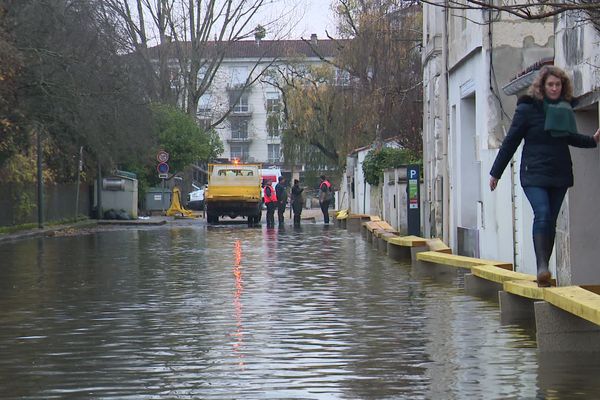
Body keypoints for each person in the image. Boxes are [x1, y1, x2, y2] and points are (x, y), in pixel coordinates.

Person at [489, 65, 600, 287]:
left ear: (563, 86)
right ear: (542, 86)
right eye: (550, 84)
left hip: (558, 172)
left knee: (550, 222)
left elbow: (569, 137)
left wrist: (593, 140)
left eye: (558, 84)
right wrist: (496, 173)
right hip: (534, 173)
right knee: (543, 213)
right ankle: (542, 266)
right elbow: (511, 141)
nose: (554, 88)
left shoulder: (564, 108)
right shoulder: (527, 109)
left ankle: (543, 273)